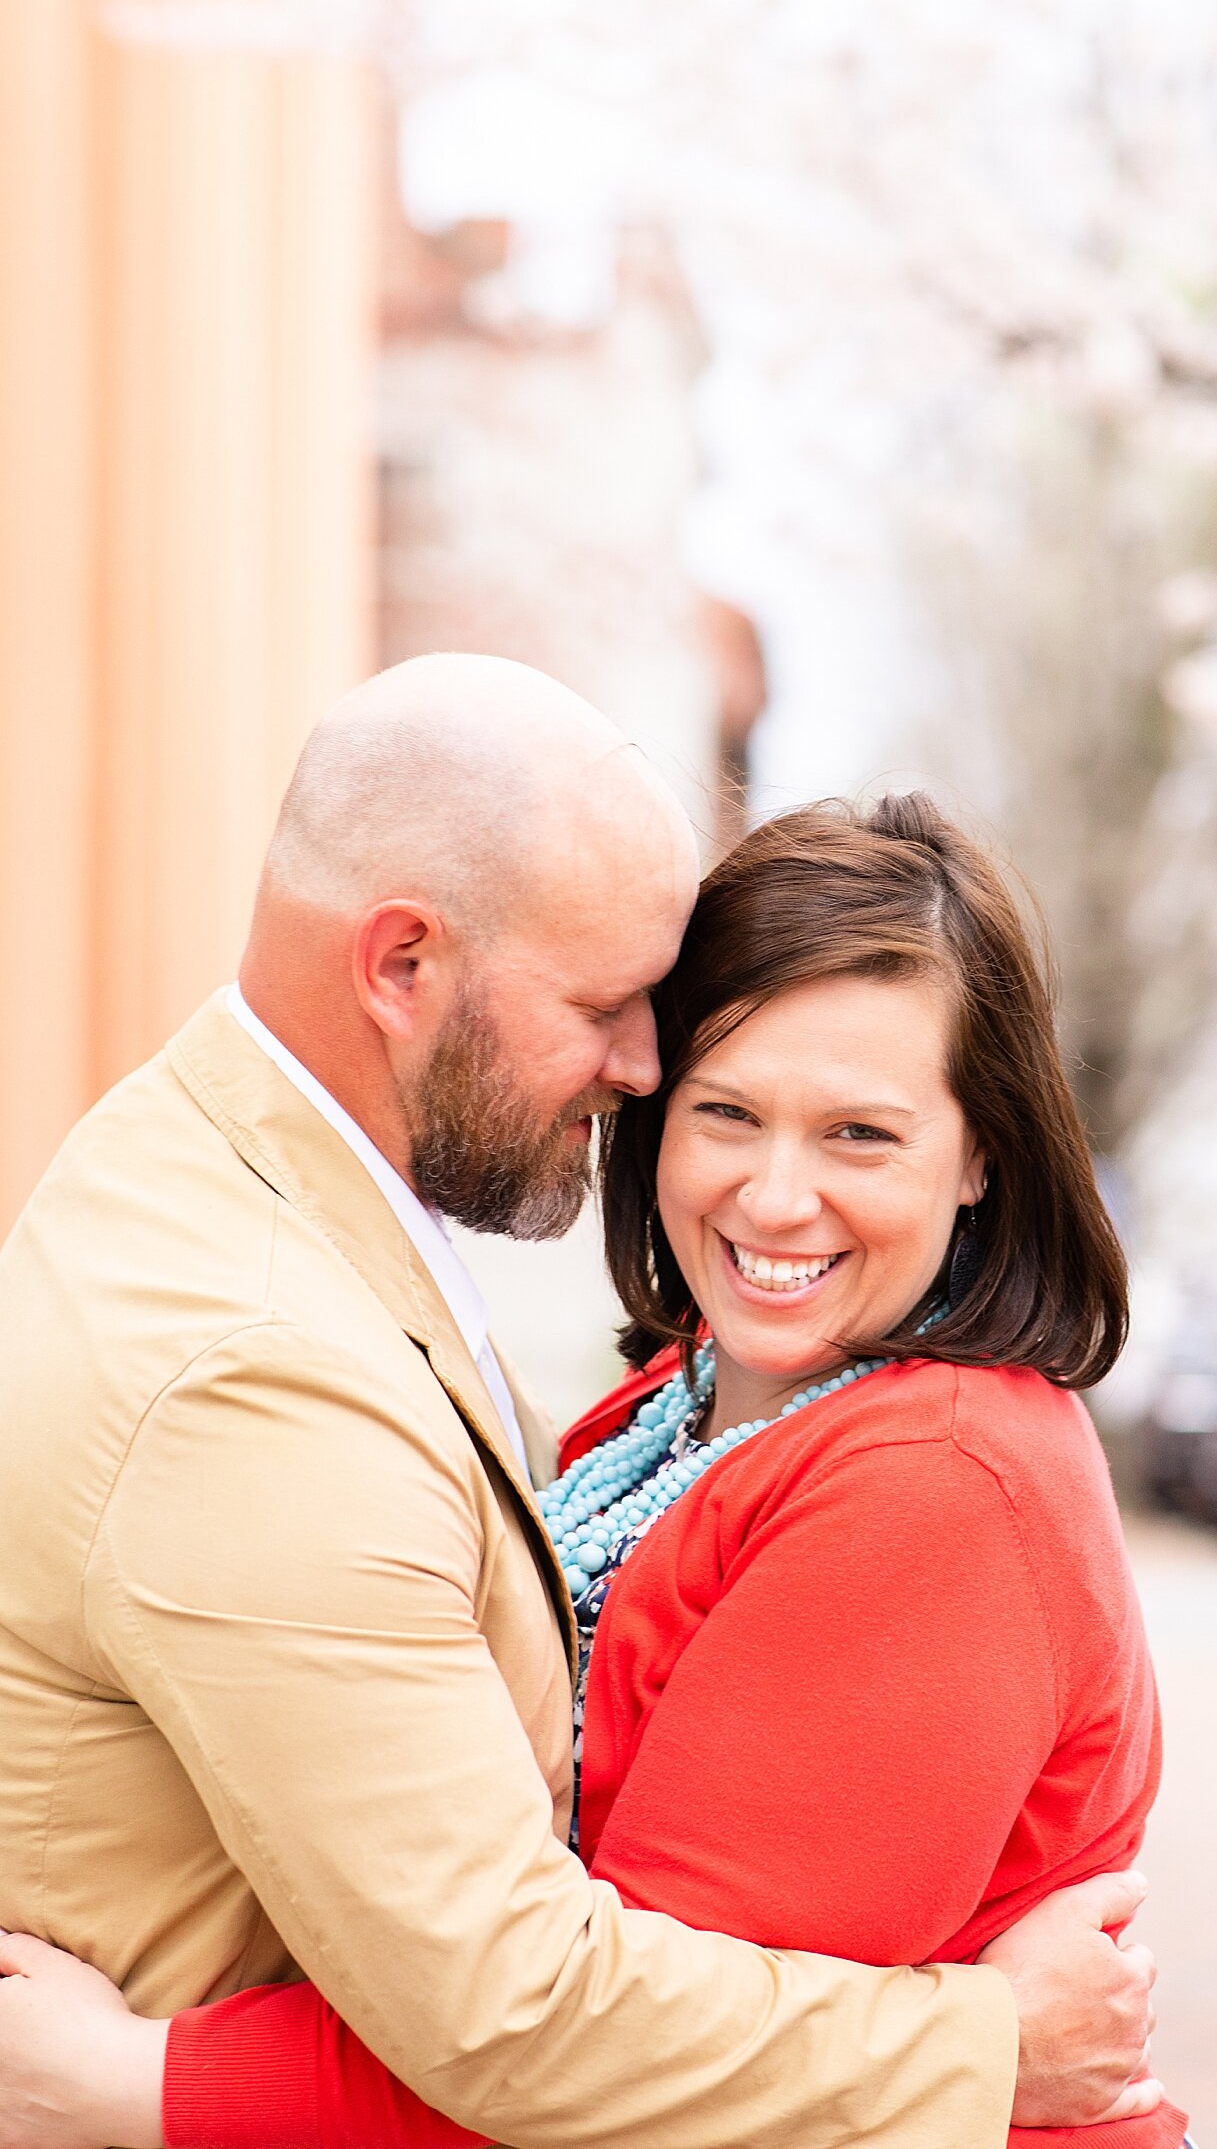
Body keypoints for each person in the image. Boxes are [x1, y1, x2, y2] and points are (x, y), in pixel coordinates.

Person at [0, 657, 1157, 2149]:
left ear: (982, 1154)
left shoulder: (934, 1476)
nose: (636, 1073)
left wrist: (136, 2085)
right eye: (714, 1101)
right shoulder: (632, 1413)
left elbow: (578, 2055)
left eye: (864, 1132)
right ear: (402, 967)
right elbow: (550, 2008)